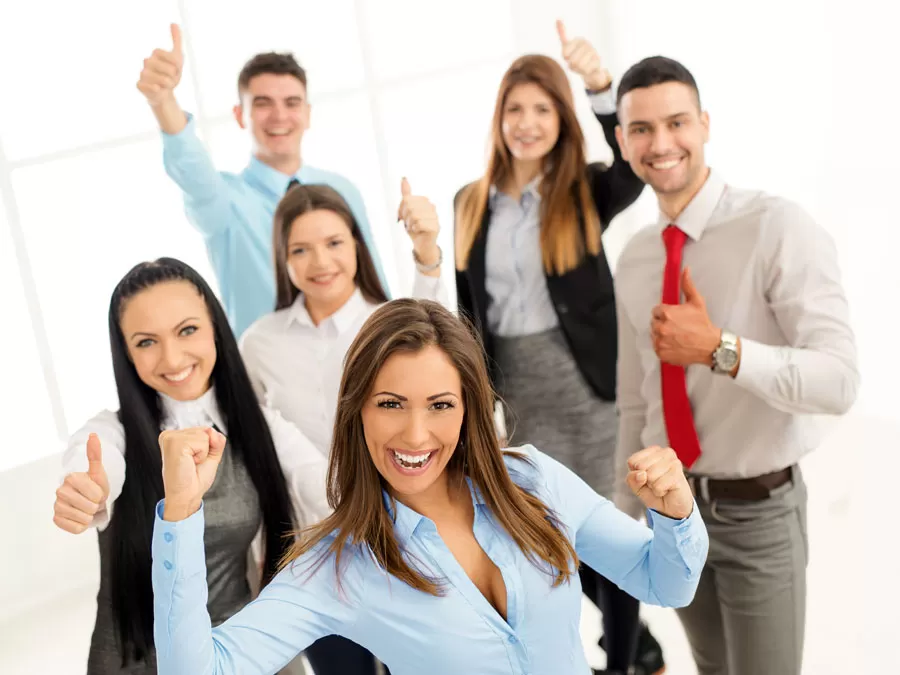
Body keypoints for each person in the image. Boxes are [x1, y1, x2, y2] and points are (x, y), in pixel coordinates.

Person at [151, 298, 708, 675]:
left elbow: (664, 582)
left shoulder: (534, 480)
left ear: (467, 409)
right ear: (357, 412)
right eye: (390, 404)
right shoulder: (335, 565)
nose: (415, 434)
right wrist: (180, 514)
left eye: (440, 405)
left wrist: (676, 513)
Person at [611, 56, 859, 675]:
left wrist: (722, 348)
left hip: (759, 514)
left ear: (705, 124)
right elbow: (636, 398)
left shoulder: (776, 227)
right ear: (622, 140)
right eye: (641, 129)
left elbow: (840, 379)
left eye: (677, 123)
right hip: (673, 516)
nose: (661, 143)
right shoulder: (638, 258)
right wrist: (623, 517)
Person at [452, 20, 660, 675]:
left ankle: (621, 662)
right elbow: (465, 307)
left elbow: (635, 165)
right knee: (555, 539)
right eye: (516, 109)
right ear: (499, 119)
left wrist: (601, 86)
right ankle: (641, 646)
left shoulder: (586, 189)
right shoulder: (470, 203)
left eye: (543, 108)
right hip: (519, 397)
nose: (528, 122)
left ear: (561, 118)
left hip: (590, 392)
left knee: (611, 535)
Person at [52, 258, 329, 674]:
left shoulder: (260, 425)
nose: (172, 356)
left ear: (215, 326)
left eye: (187, 330)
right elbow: (94, 460)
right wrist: (88, 489)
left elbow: (323, 486)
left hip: (238, 647)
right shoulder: (114, 432)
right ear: (126, 352)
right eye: (146, 342)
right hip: (142, 658)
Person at [136, 24, 387, 337]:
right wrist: (163, 103)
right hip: (270, 374)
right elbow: (192, 170)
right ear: (240, 115)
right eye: (263, 103)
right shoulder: (224, 201)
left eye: (292, 103)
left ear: (307, 113)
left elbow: (375, 286)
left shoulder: (341, 190)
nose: (279, 116)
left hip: (361, 356)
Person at [240, 178, 445, 453]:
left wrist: (426, 249)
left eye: (334, 243)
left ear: (356, 245)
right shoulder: (260, 342)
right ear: (283, 258)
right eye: (300, 250)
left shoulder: (390, 325)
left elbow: (436, 349)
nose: (321, 262)